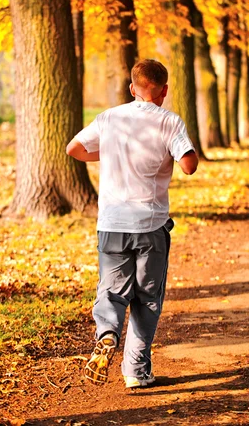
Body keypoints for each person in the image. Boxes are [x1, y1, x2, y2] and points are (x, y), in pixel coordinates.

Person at [66, 59, 198, 388]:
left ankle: (107, 333)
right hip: (151, 224)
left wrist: (108, 153)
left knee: (111, 290)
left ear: (132, 88)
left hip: (111, 223)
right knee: (147, 298)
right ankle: (136, 371)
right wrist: (174, 153)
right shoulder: (170, 122)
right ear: (164, 90)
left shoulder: (109, 118)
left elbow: (74, 148)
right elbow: (189, 166)